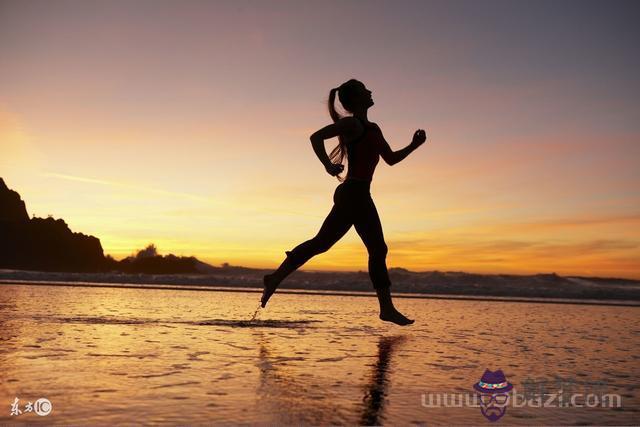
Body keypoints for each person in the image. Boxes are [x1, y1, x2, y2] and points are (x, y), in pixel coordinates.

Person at [261, 79, 427, 326]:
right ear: (356, 99)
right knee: (373, 249)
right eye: (364, 90)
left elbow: (390, 159)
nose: (371, 91)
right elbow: (316, 137)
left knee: (324, 244)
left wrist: (414, 145)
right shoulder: (352, 124)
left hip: (359, 194)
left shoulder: (374, 128)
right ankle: (387, 309)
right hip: (353, 193)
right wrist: (328, 166)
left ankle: (275, 277)